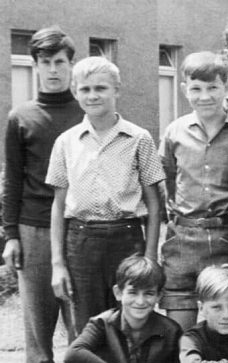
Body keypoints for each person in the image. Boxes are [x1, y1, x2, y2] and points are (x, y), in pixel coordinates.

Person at [2, 26, 82, 363]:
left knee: (83, 336)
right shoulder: (22, 117)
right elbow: (12, 181)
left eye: (60, 62)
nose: (53, 71)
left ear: (71, 65)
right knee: (38, 339)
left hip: (81, 234)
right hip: (33, 234)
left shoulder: (87, 113)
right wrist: (10, 235)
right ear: (35, 67)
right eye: (45, 63)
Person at [47, 55, 164, 333]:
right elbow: (58, 205)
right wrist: (58, 264)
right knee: (87, 327)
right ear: (75, 93)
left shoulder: (138, 138)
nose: (92, 95)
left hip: (126, 239)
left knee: (130, 324)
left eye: (101, 88)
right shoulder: (66, 142)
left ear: (117, 90)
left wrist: (149, 259)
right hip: (82, 241)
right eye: (85, 89)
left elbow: (154, 204)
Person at [159, 51, 228, 329]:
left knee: (225, 326)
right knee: (180, 332)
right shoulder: (174, 132)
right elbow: (167, 181)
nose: (205, 96)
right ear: (184, 90)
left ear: (227, 87)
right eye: (196, 89)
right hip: (183, 240)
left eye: (213, 87)